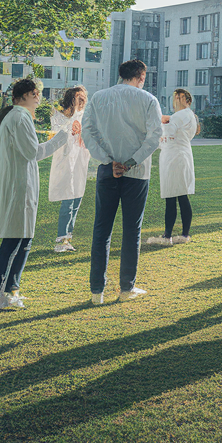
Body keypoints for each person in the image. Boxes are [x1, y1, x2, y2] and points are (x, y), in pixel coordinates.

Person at [81, 59, 163, 304]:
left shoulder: (99, 97)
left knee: (102, 230)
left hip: (107, 169)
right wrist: (130, 161)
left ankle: (97, 291)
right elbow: (155, 135)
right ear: (141, 77)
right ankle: (127, 288)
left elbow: (88, 131)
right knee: (131, 231)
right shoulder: (148, 99)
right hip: (136, 173)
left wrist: (107, 159)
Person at [0, 77, 68, 310]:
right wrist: (61, 138)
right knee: (17, 239)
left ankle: (11, 288)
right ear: (32, 94)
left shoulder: (16, 116)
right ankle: (3, 293)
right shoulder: (20, 117)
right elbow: (33, 152)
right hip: (20, 186)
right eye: (38, 93)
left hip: (21, 184)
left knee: (20, 238)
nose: (39, 97)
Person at [147, 88, 198, 246]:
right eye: (175, 97)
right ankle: (183, 234)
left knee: (173, 196)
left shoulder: (182, 115)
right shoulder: (186, 116)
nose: (176, 100)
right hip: (177, 156)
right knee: (181, 195)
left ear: (187, 101)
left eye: (180, 97)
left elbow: (168, 131)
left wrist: (162, 121)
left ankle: (168, 235)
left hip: (175, 157)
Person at [48, 85, 90, 253]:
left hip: (80, 162)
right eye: (79, 97)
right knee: (68, 200)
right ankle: (61, 240)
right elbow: (57, 137)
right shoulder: (60, 118)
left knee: (77, 199)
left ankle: (67, 238)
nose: (82, 100)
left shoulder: (86, 117)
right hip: (65, 163)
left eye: (84, 97)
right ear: (71, 99)